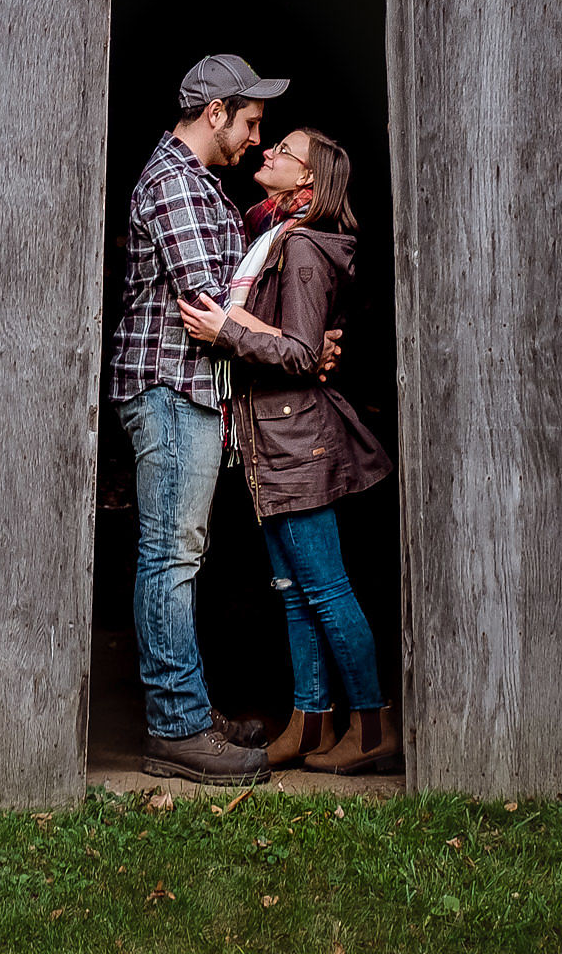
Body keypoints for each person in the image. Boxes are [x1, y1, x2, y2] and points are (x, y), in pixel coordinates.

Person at [180, 127, 399, 776]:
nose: (267, 151)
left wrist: (227, 328)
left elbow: (302, 354)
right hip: (272, 439)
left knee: (327, 592)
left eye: (283, 151)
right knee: (296, 594)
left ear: (309, 182)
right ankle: (308, 724)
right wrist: (238, 323)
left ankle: (371, 727)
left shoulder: (300, 248)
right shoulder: (274, 235)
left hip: (296, 438)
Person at [108, 54, 286, 785]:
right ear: (215, 113)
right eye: (248, 122)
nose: (253, 139)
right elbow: (208, 301)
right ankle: (176, 726)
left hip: (189, 391)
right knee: (169, 555)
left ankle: (185, 705)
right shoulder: (176, 183)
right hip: (169, 385)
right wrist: (295, 346)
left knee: (181, 553)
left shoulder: (198, 183)